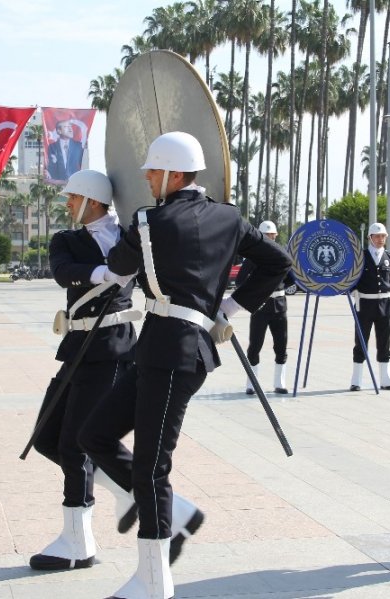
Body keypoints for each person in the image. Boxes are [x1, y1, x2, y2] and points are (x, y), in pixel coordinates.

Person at [79, 131, 291, 599]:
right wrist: (228, 310)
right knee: (94, 434)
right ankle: (172, 515)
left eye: (153, 172)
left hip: (172, 353)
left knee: (152, 467)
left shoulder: (148, 221)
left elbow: (118, 264)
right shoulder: (230, 218)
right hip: (169, 348)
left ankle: (154, 580)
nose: (149, 180)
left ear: (175, 173)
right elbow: (279, 262)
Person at [29, 169, 139, 571]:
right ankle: (124, 488)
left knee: (76, 445)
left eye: (73, 198)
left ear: (92, 200)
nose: (68, 205)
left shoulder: (132, 236)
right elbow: (62, 271)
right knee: (47, 438)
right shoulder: (68, 240)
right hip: (77, 347)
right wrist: (103, 273)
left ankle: (77, 541)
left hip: (111, 348)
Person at [239, 220, 296, 395]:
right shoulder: (253, 258)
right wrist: (255, 293)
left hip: (279, 308)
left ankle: (280, 383)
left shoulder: (281, 256)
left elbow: (291, 279)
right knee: (255, 345)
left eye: (272, 235)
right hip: (259, 308)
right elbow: (240, 280)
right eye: (267, 235)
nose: (270, 238)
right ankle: (251, 383)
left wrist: (278, 287)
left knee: (281, 345)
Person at [350, 222, 390, 391]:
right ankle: (356, 380)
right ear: (370, 238)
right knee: (361, 342)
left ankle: (386, 379)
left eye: (383, 236)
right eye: (377, 236)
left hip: (385, 306)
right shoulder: (360, 257)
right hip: (364, 305)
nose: (380, 239)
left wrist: (383, 293)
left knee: (384, 342)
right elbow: (350, 280)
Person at [46, 119, 85, 184]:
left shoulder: (79, 146)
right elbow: (51, 166)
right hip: (58, 184)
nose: (70, 129)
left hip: (76, 183)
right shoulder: (52, 147)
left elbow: (82, 164)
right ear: (59, 131)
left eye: (70, 126)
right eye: (66, 127)